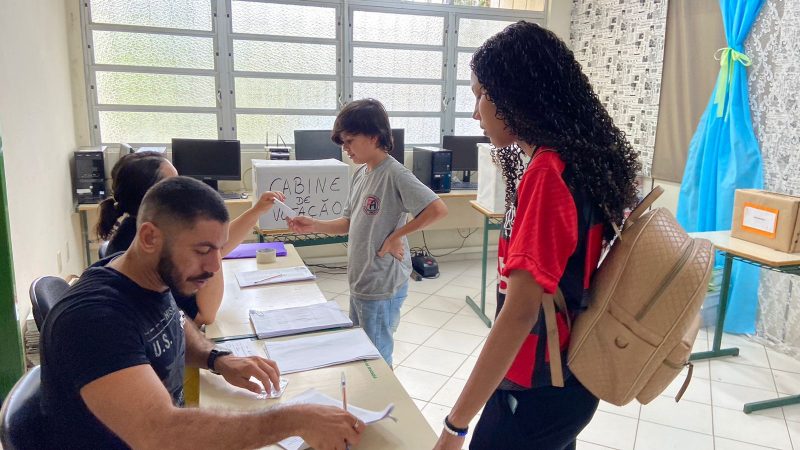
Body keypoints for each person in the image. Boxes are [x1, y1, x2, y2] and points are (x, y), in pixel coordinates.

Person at [433, 22, 641, 450]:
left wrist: (455, 425)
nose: (475, 113)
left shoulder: (549, 172)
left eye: (479, 95)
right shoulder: (577, 160)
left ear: (516, 95)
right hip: (569, 378)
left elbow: (520, 312)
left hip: (537, 387)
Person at [41, 177, 364, 450]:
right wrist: (294, 419)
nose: (213, 267)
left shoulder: (151, 275)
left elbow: (175, 323)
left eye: (218, 250)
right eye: (202, 251)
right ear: (150, 237)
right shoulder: (94, 319)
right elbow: (161, 432)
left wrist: (217, 358)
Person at [287, 99, 448, 366]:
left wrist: (396, 236)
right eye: (343, 143)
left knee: (376, 357)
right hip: (362, 280)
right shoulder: (362, 173)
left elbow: (437, 209)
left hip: (382, 283)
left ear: (374, 137)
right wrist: (314, 224)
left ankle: (385, 404)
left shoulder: (396, 174)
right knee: (360, 349)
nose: (346, 149)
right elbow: (350, 222)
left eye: (350, 141)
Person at [96, 150, 285, 325]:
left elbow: (218, 246)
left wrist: (257, 211)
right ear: (152, 195)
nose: (184, 190)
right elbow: (204, 316)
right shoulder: (149, 249)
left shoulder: (135, 227)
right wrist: (212, 248)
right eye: (175, 185)